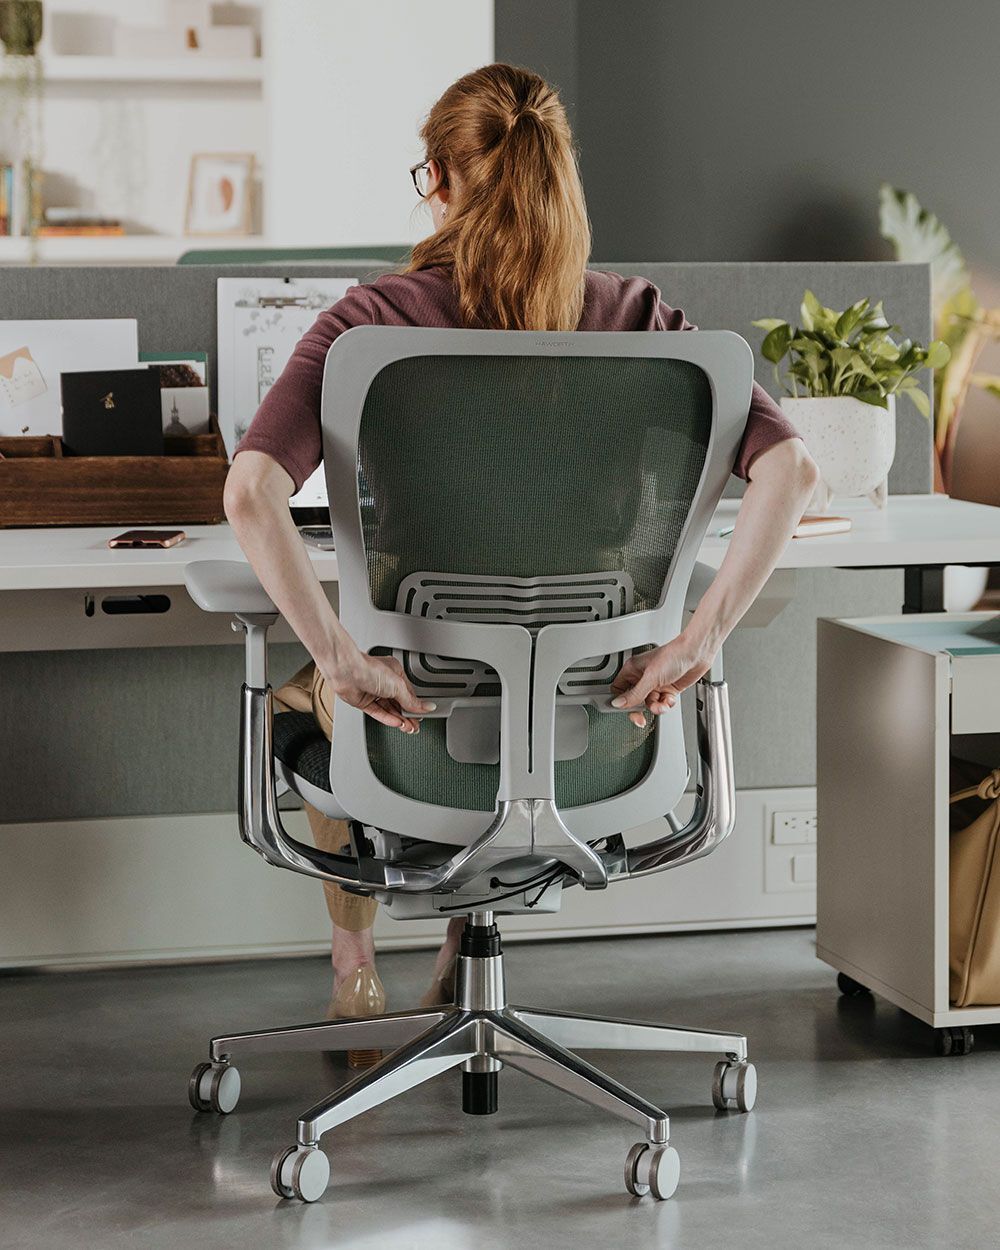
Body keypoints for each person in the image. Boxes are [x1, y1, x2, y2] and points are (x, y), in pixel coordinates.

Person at [224, 63, 820, 1066]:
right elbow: (793, 470)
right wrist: (694, 640)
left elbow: (249, 495)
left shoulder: (372, 322)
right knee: (503, 702)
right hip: (600, 716)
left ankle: (351, 967)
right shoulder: (639, 317)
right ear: (561, 179)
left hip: (417, 715)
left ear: (438, 181)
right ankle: (465, 955)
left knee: (315, 697)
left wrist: (334, 654)